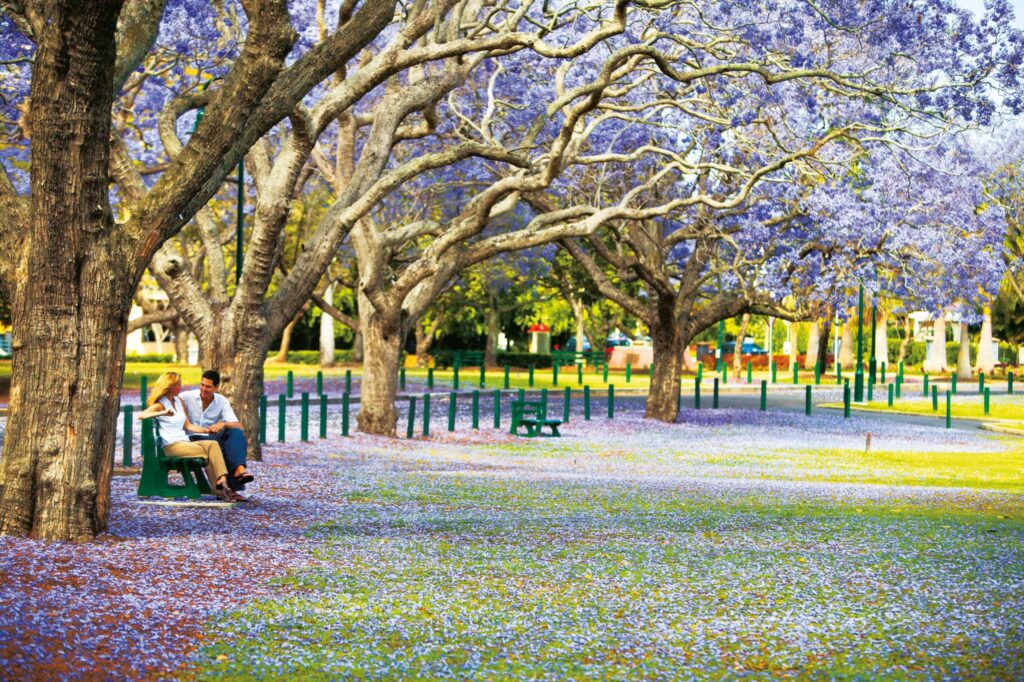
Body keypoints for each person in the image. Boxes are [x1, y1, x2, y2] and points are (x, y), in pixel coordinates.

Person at [138, 371, 243, 503]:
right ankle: (221, 489)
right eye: (178, 385)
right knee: (209, 452)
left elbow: (188, 425)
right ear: (169, 386)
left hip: (184, 443)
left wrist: (206, 430)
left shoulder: (179, 401)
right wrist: (164, 412)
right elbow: (141, 415)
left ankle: (221, 482)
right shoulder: (160, 404)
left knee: (212, 444)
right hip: (172, 446)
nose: (180, 388)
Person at [179, 369, 254, 494]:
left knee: (235, 433)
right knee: (221, 446)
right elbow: (169, 399)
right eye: (202, 385)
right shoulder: (186, 397)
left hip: (211, 437)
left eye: (208, 386)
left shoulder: (221, 400)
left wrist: (222, 424)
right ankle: (231, 489)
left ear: (216, 388)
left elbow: (237, 424)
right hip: (192, 438)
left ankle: (240, 469)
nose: (203, 389)